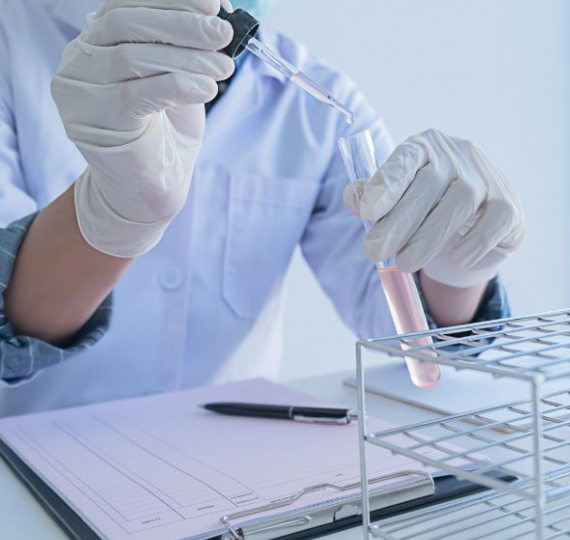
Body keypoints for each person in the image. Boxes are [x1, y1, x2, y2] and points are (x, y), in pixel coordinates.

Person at [0, 0, 524, 415]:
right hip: (30, 471)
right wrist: (114, 214)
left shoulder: (319, 107)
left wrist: (456, 265)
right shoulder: (12, 36)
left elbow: (404, 330)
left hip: (231, 468)